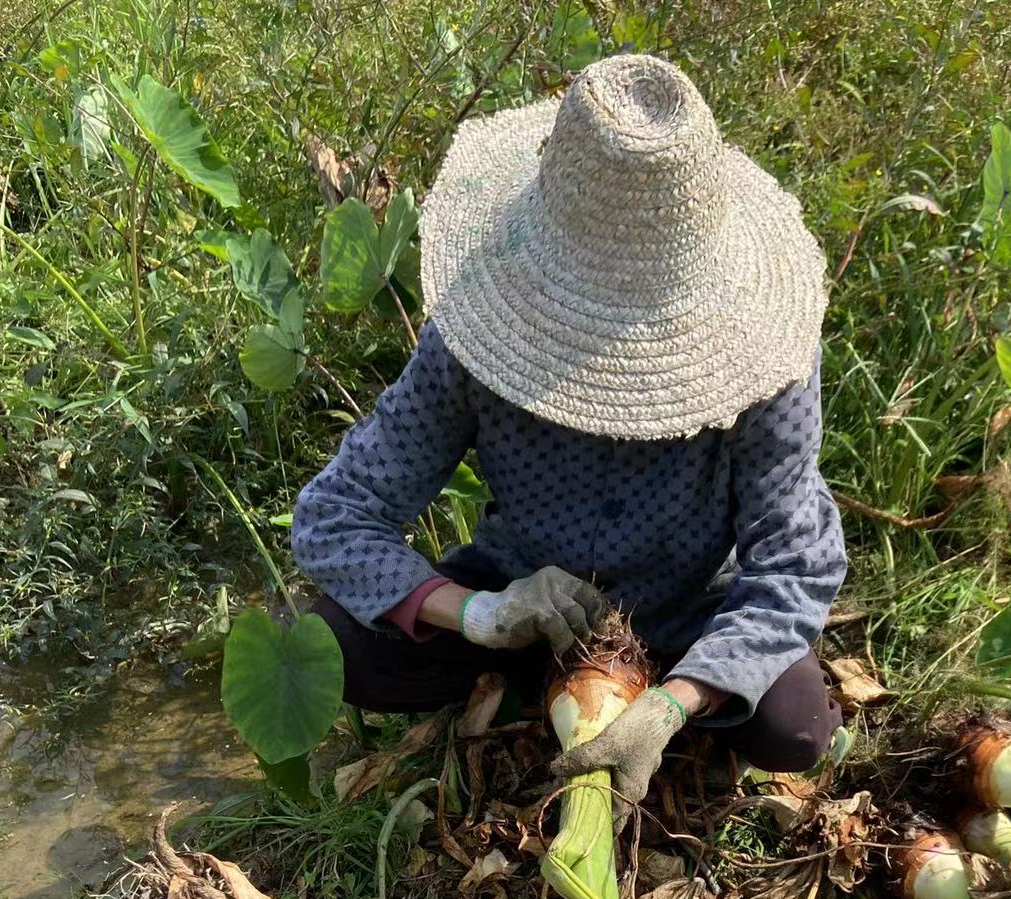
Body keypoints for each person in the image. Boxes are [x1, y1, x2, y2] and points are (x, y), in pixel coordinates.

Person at [292, 52, 847, 813]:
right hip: (521, 599)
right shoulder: (473, 332)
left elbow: (794, 563)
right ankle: (531, 677)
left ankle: (642, 708)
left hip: (684, 610)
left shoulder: (767, 355)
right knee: (345, 646)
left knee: (795, 728)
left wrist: (676, 701)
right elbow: (333, 517)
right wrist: (482, 614)